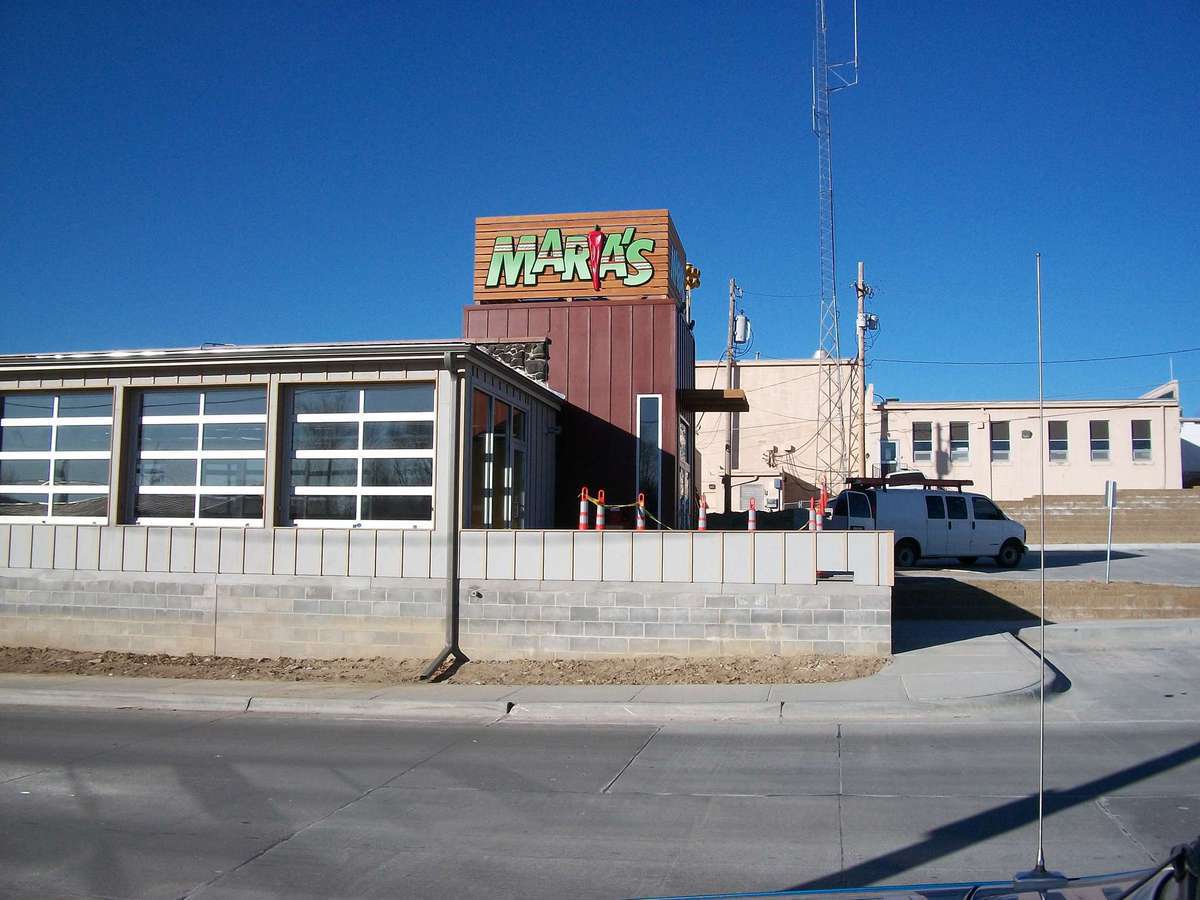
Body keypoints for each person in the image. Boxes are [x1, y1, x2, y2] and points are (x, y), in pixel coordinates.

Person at [587, 225, 604, 292]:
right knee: (595, 263)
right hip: (596, 245)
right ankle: (596, 285)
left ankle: (596, 284)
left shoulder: (591, 235)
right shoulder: (595, 235)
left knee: (595, 263)